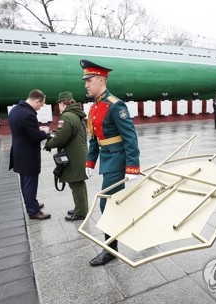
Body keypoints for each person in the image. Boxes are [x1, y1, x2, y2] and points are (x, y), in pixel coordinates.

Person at [80, 59, 141, 267]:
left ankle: (110, 249)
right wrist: (90, 162)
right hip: (107, 159)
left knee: (108, 204)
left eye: (89, 80)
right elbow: (94, 138)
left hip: (117, 160)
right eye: (85, 81)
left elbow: (130, 137)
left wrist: (133, 167)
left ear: (100, 80)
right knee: (115, 202)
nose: (86, 84)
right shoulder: (95, 107)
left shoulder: (116, 105)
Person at [44, 91, 89, 221]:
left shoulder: (66, 116)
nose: (58, 107)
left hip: (73, 155)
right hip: (79, 153)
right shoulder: (76, 114)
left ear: (63, 103)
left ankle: (80, 212)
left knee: (76, 184)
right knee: (79, 183)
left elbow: (61, 137)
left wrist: (49, 145)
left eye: (59, 104)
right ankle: (81, 208)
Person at [9, 89, 52, 220]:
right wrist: (45, 132)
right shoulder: (29, 114)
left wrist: (36, 129)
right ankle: (33, 211)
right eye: (41, 104)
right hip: (28, 155)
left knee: (24, 181)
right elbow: (35, 137)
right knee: (30, 183)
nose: (40, 107)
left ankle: (31, 203)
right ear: (37, 100)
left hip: (18, 152)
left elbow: (24, 130)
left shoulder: (15, 110)